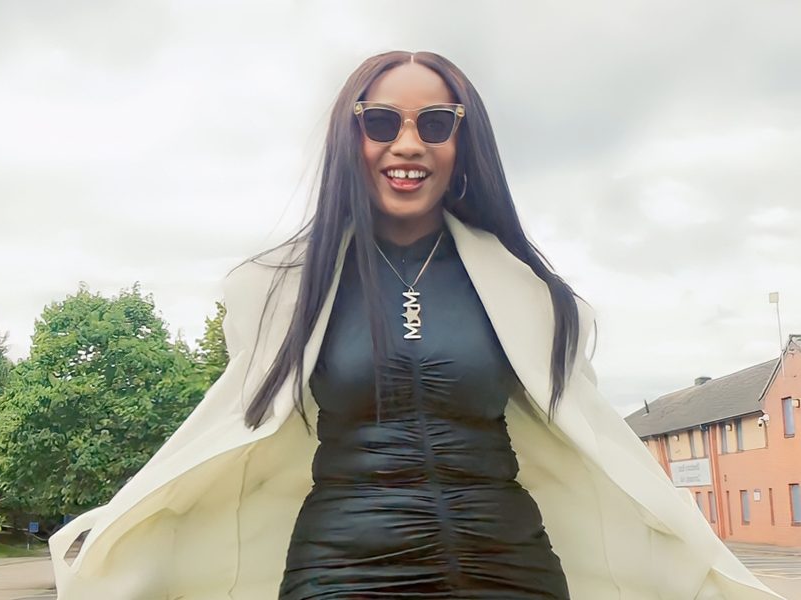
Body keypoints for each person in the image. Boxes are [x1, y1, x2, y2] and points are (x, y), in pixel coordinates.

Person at [48, 51, 784, 599]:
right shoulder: (275, 291)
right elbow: (228, 435)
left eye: (435, 123)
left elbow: (598, 446)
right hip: (339, 569)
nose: (407, 144)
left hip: (509, 565)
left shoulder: (533, 295)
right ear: (351, 139)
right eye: (380, 122)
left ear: (463, 144)